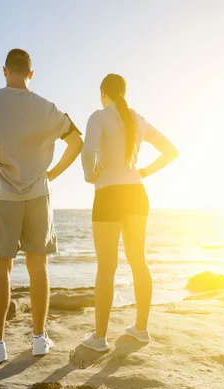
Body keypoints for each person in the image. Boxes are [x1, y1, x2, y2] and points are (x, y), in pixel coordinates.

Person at [0, 49, 83, 363]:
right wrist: (52, 175)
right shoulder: (47, 108)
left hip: (0, 195)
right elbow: (77, 141)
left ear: (5, 71)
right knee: (39, 268)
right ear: (31, 74)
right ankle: (39, 339)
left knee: (0, 270)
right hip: (38, 195)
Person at [80, 74, 178, 351]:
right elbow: (171, 151)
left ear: (103, 93)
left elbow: (88, 153)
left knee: (107, 267)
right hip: (136, 193)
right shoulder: (138, 119)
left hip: (109, 193)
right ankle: (141, 329)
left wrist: (90, 176)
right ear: (124, 92)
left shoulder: (98, 117)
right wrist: (143, 171)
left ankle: (99, 338)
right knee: (139, 261)